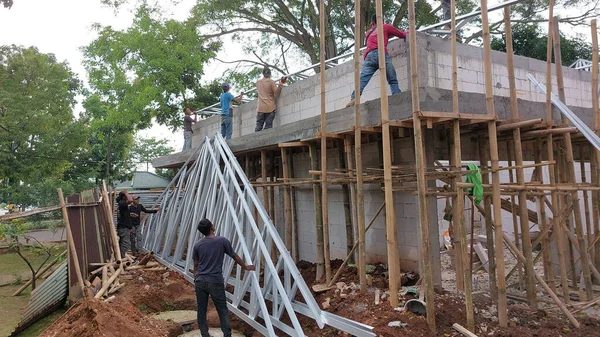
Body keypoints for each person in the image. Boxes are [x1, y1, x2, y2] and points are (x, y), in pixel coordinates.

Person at [193, 218, 255, 337]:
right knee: (222, 309)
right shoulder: (222, 241)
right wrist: (246, 267)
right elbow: (234, 256)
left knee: (201, 309)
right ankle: (227, 335)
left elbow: (196, 264)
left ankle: (204, 334)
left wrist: (196, 278)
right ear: (211, 227)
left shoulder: (198, 244)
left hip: (200, 281)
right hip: (215, 281)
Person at [346, 14, 407, 107]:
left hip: (369, 57)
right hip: (381, 54)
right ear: (381, 21)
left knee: (362, 80)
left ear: (372, 23)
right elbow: (401, 34)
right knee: (392, 79)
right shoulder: (386, 27)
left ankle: (353, 98)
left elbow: (378, 36)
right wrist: (408, 32)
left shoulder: (368, 32)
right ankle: (397, 96)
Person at [255, 66, 283, 132]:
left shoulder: (258, 82)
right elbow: (276, 92)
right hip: (270, 108)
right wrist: (281, 83)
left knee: (258, 127)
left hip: (260, 108)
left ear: (263, 74)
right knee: (268, 126)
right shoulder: (271, 82)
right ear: (270, 74)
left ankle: (255, 140)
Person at [116, 189, 134, 258]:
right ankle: (123, 258)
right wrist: (126, 192)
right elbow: (130, 200)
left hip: (122, 227)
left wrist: (129, 214)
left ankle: (121, 257)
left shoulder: (121, 204)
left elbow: (123, 214)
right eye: (126, 196)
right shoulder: (122, 203)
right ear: (124, 197)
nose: (128, 196)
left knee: (122, 243)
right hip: (124, 228)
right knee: (125, 243)